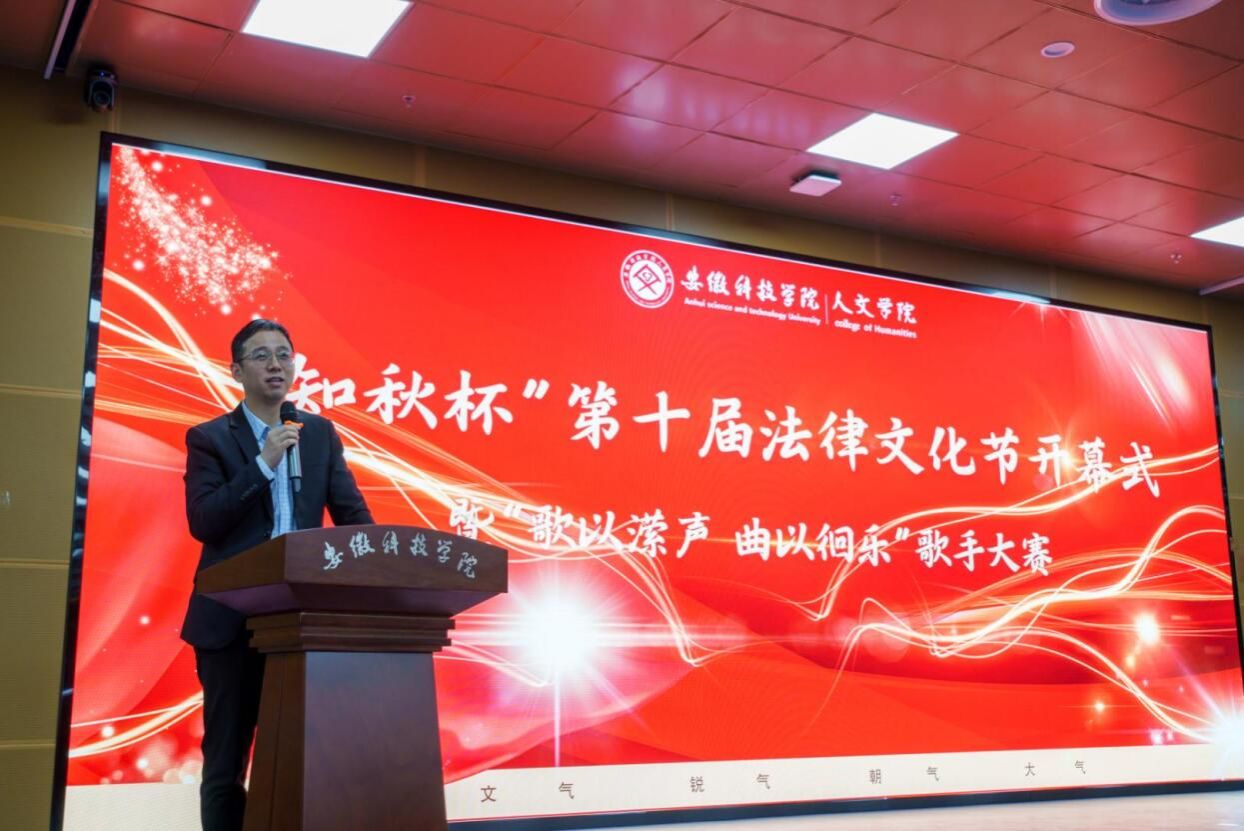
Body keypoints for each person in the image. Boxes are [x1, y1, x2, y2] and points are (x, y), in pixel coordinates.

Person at [182, 319, 373, 831]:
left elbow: (352, 514)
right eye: (262, 355)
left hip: (301, 624)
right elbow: (204, 521)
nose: (276, 364)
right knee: (226, 764)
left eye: (284, 354)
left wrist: (383, 562)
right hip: (230, 625)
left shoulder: (319, 434)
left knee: (300, 756)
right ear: (236, 370)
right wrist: (264, 462)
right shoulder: (209, 438)